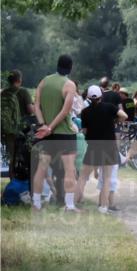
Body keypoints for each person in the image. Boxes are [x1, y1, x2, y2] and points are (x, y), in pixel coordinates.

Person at [31, 55, 79, 212]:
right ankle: (69, 205)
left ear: (57, 65)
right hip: (64, 133)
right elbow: (65, 111)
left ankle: (36, 203)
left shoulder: (44, 81)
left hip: (46, 135)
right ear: (70, 68)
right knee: (69, 169)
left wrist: (43, 125)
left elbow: (36, 105)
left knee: (41, 168)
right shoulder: (69, 85)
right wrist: (50, 127)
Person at [76, 85, 127, 213]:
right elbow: (124, 116)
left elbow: (85, 130)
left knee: (83, 176)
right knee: (107, 178)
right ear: (101, 96)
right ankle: (103, 207)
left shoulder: (85, 112)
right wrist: (114, 120)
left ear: (88, 97)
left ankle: (74, 204)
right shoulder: (109, 107)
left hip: (93, 146)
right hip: (109, 145)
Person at [1, 70, 35, 161]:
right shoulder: (23, 91)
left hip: (7, 128)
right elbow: (30, 110)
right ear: (19, 80)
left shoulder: (4, 93)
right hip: (22, 128)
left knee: (11, 156)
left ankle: (11, 172)